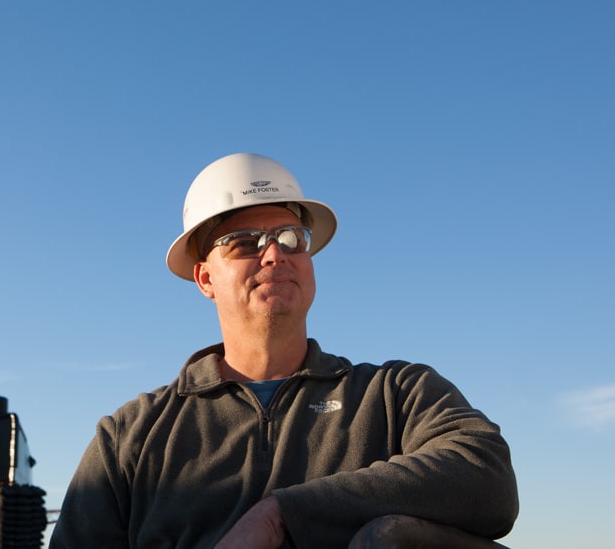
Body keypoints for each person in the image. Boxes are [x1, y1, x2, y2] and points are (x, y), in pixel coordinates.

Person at [50, 153, 519, 548]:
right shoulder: (131, 437)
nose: (275, 254)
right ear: (206, 278)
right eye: (244, 243)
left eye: (291, 238)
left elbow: (487, 474)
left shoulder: (395, 394)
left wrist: (281, 514)